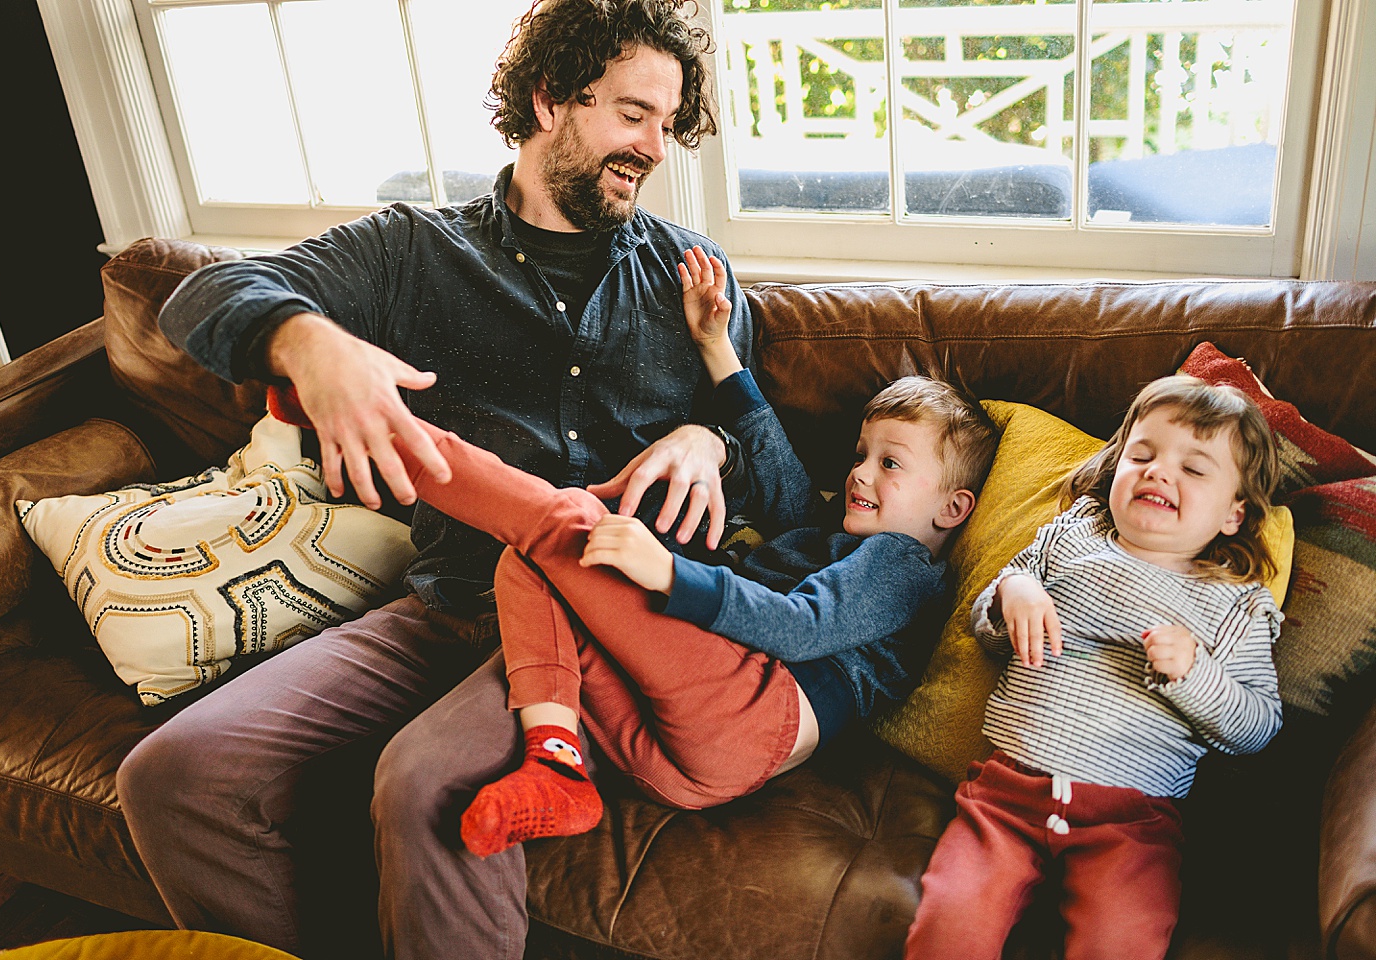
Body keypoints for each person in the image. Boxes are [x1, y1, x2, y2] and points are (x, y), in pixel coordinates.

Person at [117, 3, 753, 959]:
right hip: (450, 604)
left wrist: (710, 439)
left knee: (432, 787)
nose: (656, 147)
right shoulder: (412, 251)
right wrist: (310, 342)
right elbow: (200, 296)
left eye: (667, 123)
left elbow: (762, 440)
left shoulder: (687, 274)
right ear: (549, 100)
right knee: (172, 775)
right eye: (632, 115)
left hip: (604, 627)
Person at [304, 246, 995, 857]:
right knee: (529, 562)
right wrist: (716, 345)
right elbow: (771, 453)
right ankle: (556, 765)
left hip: (761, 715)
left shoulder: (905, 565)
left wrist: (668, 572)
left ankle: (393, 438)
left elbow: (797, 626)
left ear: (952, 508)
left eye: (890, 464)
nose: (860, 473)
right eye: (860, 454)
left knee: (567, 522)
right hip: (682, 765)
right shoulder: (826, 535)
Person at [903, 374, 1285, 960]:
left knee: (1123, 941)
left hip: (1131, 825)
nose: (1160, 472)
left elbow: (1258, 727)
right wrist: (1016, 593)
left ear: (1234, 514)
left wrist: (1195, 675)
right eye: (1144, 454)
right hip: (1005, 798)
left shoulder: (1236, 603)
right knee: (949, 924)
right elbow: (986, 628)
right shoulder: (1072, 537)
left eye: (1194, 468)